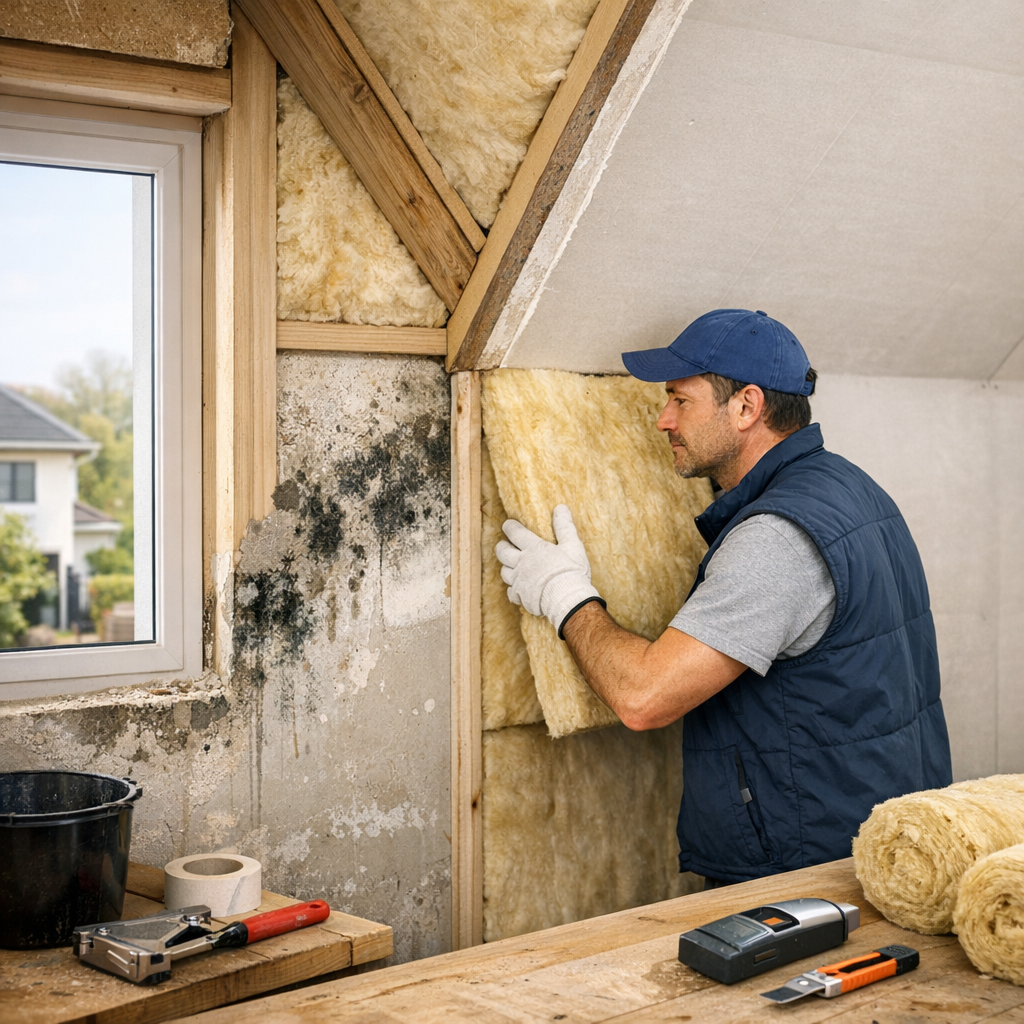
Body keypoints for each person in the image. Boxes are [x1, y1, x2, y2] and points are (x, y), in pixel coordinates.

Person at [496, 308, 952, 886]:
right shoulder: (852, 488)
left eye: (680, 400)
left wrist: (564, 596)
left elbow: (643, 697)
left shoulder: (777, 539)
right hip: (885, 844)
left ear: (746, 407)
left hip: (809, 873)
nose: (663, 420)